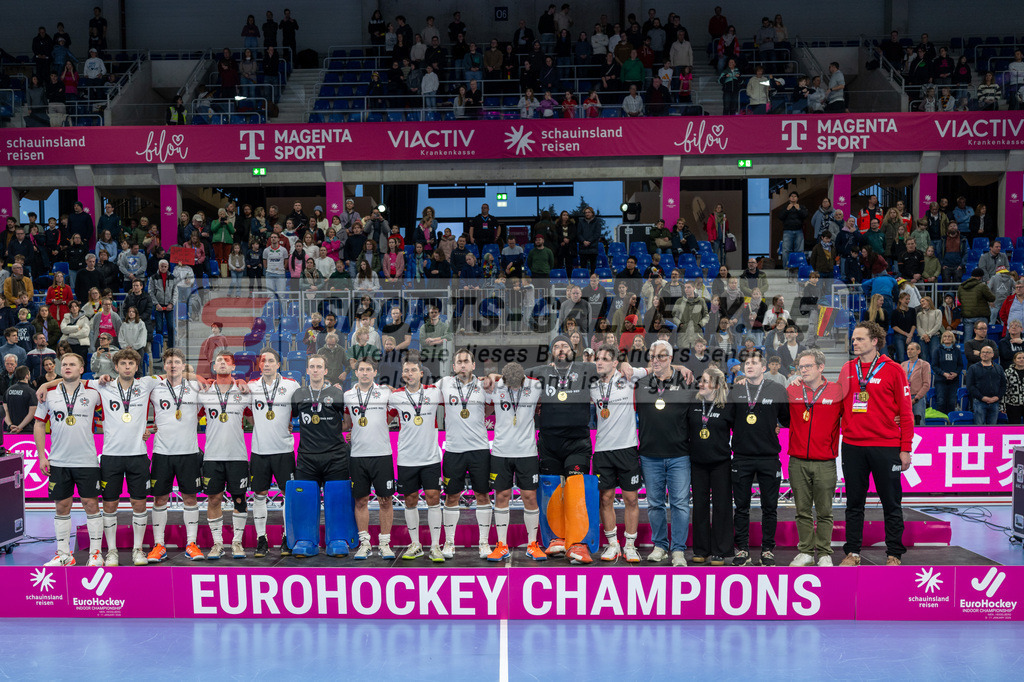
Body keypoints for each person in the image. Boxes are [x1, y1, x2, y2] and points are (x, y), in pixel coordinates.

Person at [839, 322, 914, 566]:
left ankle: (894, 554)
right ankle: (852, 553)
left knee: (891, 502)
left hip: (885, 445)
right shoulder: (847, 369)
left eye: (859, 339)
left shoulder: (893, 370)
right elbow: (837, 406)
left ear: (874, 341)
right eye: (853, 339)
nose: (854, 343)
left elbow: (906, 412)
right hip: (852, 446)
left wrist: (905, 448)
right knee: (854, 503)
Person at [34, 353, 104, 567]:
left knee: (90, 504)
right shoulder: (49, 394)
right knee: (61, 506)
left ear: (82, 369)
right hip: (58, 460)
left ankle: (95, 554)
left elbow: (107, 419)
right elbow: (38, 424)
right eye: (64, 364)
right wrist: (41, 455)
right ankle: (64, 554)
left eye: (72, 364)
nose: (67, 367)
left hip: (87, 461)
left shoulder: (95, 393)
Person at [633, 339, 691, 566]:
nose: (656, 360)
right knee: (655, 504)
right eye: (653, 356)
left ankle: (678, 550)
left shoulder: (686, 381)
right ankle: (660, 546)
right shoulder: (641, 383)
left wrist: (679, 369)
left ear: (671, 358)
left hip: (679, 454)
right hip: (650, 454)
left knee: (679, 503)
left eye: (662, 356)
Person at [730, 351, 790, 566]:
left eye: (754, 363)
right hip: (741, 457)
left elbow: (786, 419)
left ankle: (767, 550)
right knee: (742, 507)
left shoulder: (777, 389)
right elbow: (727, 420)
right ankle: (742, 550)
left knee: (770, 507)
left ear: (764, 368)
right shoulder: (735, 390)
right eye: (746, 362)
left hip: (769, 457)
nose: (749, 365)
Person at [589, 344, 648, 563]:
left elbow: (654, 368)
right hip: (602, 450)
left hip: (627, 448)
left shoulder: (628, 376)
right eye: (598, 358)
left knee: (631, 498)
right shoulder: (592, 386)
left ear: (615, 362)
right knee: (606, 498)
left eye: (605, 358)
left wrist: (680, 366)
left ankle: (630, 544)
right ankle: (613, 544)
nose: (599, 362)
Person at [483, 361, 546, 562]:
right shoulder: (497, 385)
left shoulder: (535, 386)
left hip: (527, 452)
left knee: (529, 496)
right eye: (509, 384)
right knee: (501, 496)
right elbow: (481, 382)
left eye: (516, 384)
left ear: (523, 378)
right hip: (501, 451)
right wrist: (491, 376)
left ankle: (532, 543)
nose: (513, 387)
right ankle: (501, 544)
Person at [786, 349, 843, 567]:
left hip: (825, 462)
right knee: (802, 510)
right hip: (797, 461)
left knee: (825, 511)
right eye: (801, 367)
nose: (803, 370)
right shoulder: (792, 390)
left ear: (821, 367)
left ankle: (825, 553)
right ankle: (806, 552)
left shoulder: (837, 391)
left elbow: (853, 416)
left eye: (808, 366)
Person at [147, 348, 205, 561]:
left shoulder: (195, 387)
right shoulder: (154, 387)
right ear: (164, 366)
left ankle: (191, 543)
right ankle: (159, 545)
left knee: (190, 497)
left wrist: (193, 376)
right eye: (169, 362)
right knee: (160, 498)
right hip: (162, 452)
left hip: (188, 452)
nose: (173, 365)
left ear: (183, 365)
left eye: (177, 362)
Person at [437, 349, 493, 559]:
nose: (462, 365)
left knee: (482, 495)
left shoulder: (483, 385)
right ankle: (449, 542)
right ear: (453, 366)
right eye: (458, 361)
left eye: (466, 361)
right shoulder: (444, 383)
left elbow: (490, 408)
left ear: (473, 365)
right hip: (453, 450)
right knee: (452, 496)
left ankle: (484, 543)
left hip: (479, 449)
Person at [197, 351, 253, 559]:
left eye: (226, 361)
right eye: (218, 360)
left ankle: (237, 543)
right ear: (213, 367)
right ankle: (218, 543)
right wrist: (197, 377)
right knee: (214, 499)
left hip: (237, 455)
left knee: (239, 499)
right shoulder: (203, 392)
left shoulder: (244, 391)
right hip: (212, 456)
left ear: (233, 367)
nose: (221, 363)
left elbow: (258, 416)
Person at [389, 359, 445, 562]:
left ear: (421, 373)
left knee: (433, 498)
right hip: (406, 457)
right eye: (406, 370)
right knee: (410, 500)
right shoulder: (394, 396)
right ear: (402, 374)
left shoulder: (434, 392)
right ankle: (415, 544)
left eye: (413, 370)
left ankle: (436, 546)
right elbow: (383, 418)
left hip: (430, 457)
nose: (409, 373)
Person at [248, 350, 301, 558]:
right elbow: (248, 415)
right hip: (259, 450)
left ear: (278, 364)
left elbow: (296, 411)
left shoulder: (292, 385)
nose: (267, 364)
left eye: (271, 361)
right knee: (258, 496)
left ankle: (288, 537)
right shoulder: (251, 387)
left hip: (284, 450)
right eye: (263, 361)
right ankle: (262, 539)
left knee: (289, 495)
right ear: (259, 365)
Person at [343, 358, 396, 560]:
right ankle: (364, 543)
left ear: (375, 372)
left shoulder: (385, 392)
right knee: (361, 500)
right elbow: (348, 423)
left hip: (382, 454)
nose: (364, 373)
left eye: (368, 370)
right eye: (361, 369)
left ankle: (385, 543)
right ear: (355, 373)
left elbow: (390, 417)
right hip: (358, 456)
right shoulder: (348, 396)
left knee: (385, 500)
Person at [687, 366, 734, 566]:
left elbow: (740, 429)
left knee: (722, 507)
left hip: (720, 463)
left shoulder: (727, 405)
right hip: (697, 462)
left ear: (715, 385)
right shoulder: (693, 403)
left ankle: (720, 551)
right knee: (699, 506)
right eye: (701, 380)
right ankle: (701, 549)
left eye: (705, 381)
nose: (701, 384)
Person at [966, 345, 1005, 425]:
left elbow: (1003, 385)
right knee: (979, 428)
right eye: (983, 352)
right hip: (979, 402)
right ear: (980, 354)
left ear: (992, 355)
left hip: (995, 402)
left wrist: (997, 397)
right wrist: (982, 397)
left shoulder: (998, 368)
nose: (985, 354)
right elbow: (970, 386)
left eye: (987, 352)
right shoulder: (973, 368)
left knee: (992, 429)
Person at [902, 342, 932, 425]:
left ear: (918, 351)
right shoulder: (903, 365)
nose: (909, 351)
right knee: (905, 423)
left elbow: (926, 385)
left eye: (912, 349)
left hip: (917, 398)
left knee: (919, 423)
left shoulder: (924, 365)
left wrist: (916, 399)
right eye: (908, 349)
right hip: (904, 398)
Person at [4, 366, 36, 434]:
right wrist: (19, 427)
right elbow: (32, 413)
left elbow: (5, 410)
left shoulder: (8, 390)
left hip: (11, 430)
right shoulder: (31, 392)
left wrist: (10, 425)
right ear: (27, 376)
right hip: (27, 431)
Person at [1004, 352, 1024, 424]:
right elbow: (1005, 389)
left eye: (1023, 358)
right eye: (1019, 358)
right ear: (1014, 360)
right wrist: (1003, 405)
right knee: (1014, 426)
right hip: (1012, 404)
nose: (1022, 360)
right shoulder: (1008, 372)